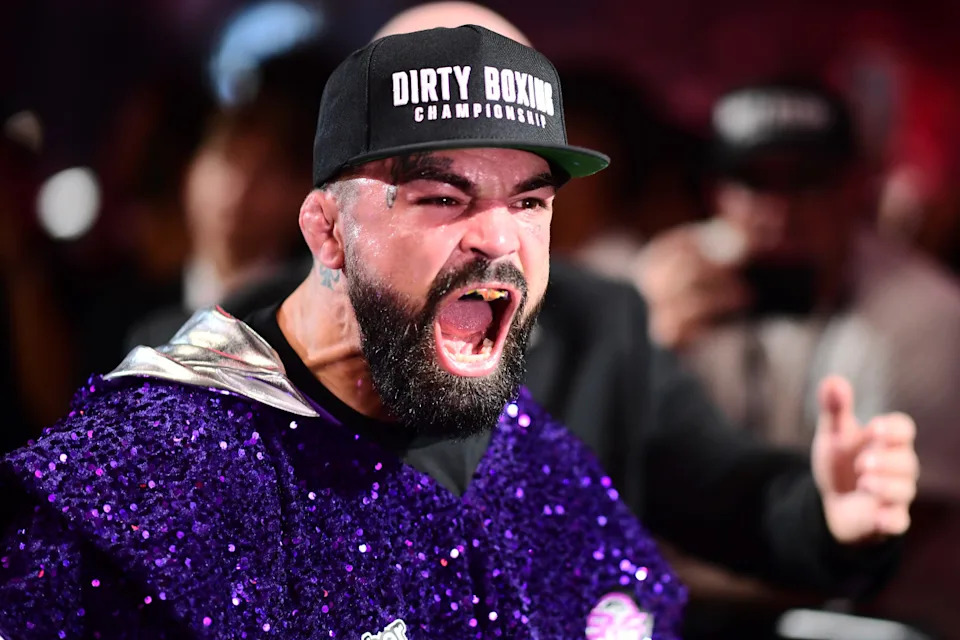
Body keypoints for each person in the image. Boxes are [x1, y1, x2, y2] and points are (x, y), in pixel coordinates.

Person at [1, 26, 691, 639]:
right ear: (327, 230)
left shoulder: (517, 445)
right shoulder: (151, 474)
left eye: (530, 201)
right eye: (444, 198)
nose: (499, 239)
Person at [634, 80, 960, 503]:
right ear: (716, 193)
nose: (779, 209)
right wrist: (646, 347)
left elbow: (903, 524)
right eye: (754, 180)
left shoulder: (929, 314)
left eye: (807, 180)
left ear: (857, 187)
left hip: (839, 558)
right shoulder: (667, 279)